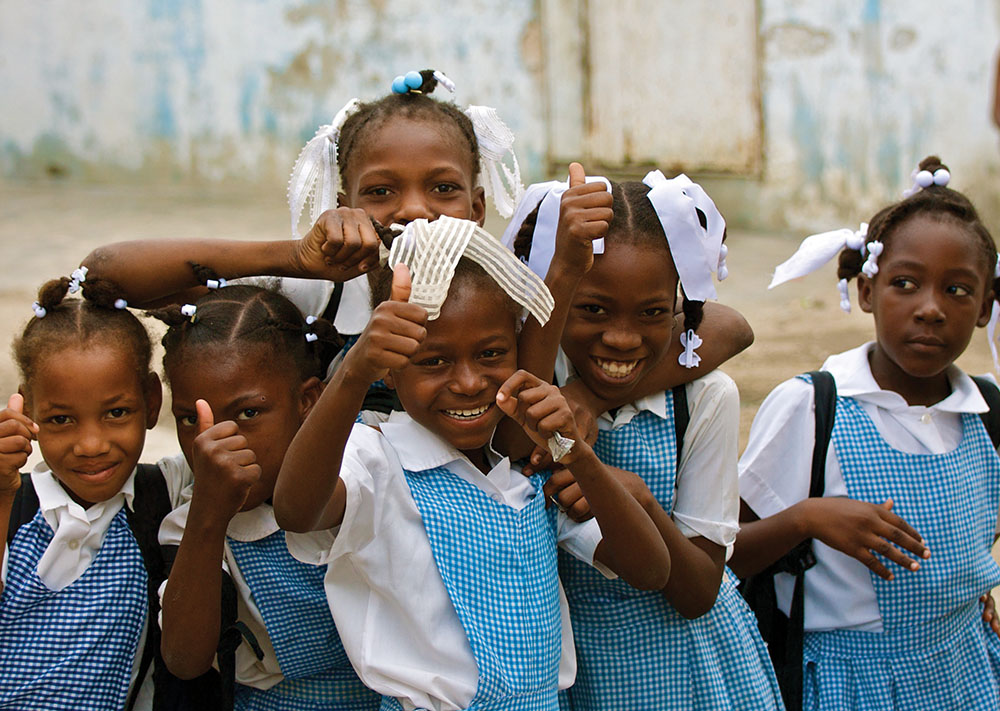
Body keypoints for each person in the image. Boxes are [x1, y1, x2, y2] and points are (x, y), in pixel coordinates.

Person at [273, 216, 671, 711]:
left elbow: (651, 570)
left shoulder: (527, 466)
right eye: (434, 361)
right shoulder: (377, 458)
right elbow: (296, 510)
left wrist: (579, 454)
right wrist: (354, 373)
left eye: (491, 354)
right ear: (391, 372)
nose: (467, 382)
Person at [506, 167, 784, 710]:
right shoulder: (533, 378)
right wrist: (562, 273)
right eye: (592, 309)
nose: (622, 337)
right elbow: (522, 442)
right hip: (563, 675)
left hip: (686, 676)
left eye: (654, 312)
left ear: (681, 307)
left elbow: (700, 590)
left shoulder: (701, 400)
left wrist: (634, 499)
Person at [734, 156, 1000, 709]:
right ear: (866, 291)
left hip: (964, 673)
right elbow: (721, 555)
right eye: (905, 283)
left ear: (985, 307)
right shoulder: (812, 409)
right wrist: (806, 519)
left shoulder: (987, 412)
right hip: (848, 686)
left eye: (957, 290)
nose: (930, 309)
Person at [150, 275, 380, 709]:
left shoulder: (359, 466)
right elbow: (184, 658)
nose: (215, 442)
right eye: (188, 419)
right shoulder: (191, 520)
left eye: (249, 413)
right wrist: (208, 517)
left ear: (308, 400)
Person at [0, 272, 189, 709]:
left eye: (116, 412)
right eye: (61, 420)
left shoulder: (168, 491)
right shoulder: (13, 501)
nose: (91, 446)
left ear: (152, 402)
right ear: (27, 409)